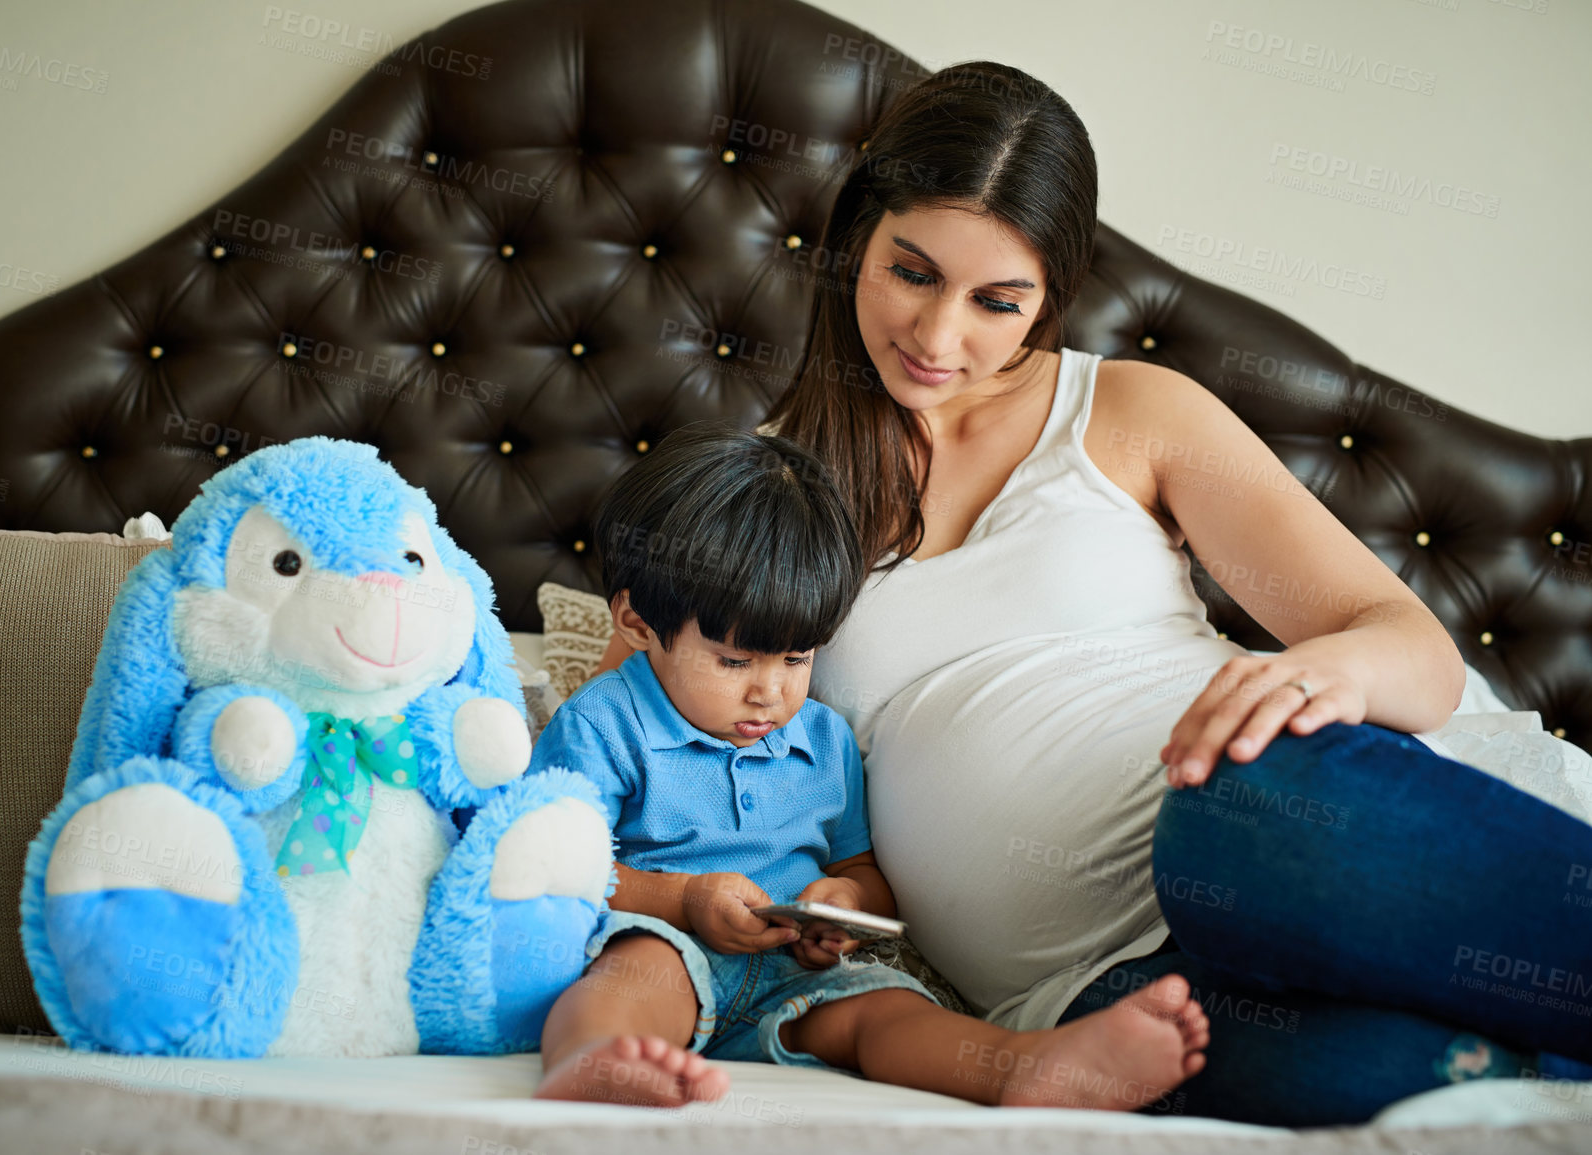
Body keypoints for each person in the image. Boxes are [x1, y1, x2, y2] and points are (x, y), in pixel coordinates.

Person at [587, 62, 1592, 1126]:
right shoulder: (751, 496)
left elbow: (1416, 653)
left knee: (1229, 820)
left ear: (1049, 297)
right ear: (854, 244)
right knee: (1421, 1084)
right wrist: (799, 901)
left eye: (996, 302)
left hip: (1250, 818)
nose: (938, 340)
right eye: (911, 273)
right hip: (1091, 999)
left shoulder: (1129, 410)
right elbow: (608, 781)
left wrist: (1309, 671)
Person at [529, 423, 1210, 1110]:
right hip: (667, 941)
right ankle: (593, 1060)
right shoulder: (602, 722)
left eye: (797, 658)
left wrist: (843, 908)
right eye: (734, 661)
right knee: (638, 974)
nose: (770, 691)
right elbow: (543, 861)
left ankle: (1021, 1066)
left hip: (793, 971)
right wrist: (680, 901)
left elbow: (861, 873)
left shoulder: (821, 737)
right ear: (637, 623)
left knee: (885, 1013)